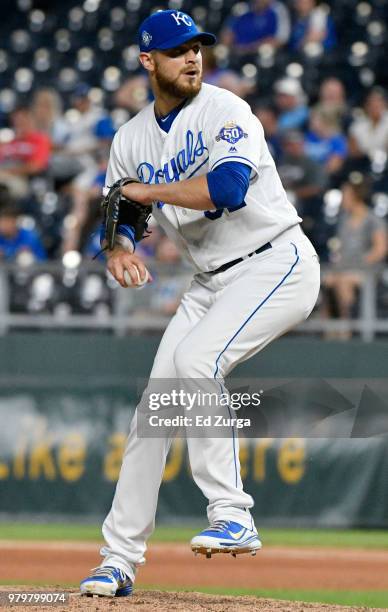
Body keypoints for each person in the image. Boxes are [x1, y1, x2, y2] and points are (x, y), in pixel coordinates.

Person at [80, 9, 320, 599]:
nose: (193, 57)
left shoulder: (226, 110)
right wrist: (118, 248)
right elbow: (121, 213)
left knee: (197, 364)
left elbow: (229, 188)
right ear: (148, 61)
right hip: (209, 281)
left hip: (276, 261)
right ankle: (118, 559)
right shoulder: (130, 138)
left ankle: (233, 512)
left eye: (198, 47)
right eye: (178, 49)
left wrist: (147, 191)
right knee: (151, 417)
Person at [323, 177, 386, 337]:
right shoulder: (343, 220)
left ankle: (347, 329)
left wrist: (358, 264)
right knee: (327, 279)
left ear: (356, 196)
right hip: (344, 268)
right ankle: (328, 330)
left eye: (346, 194)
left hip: (368, 271)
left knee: (344, 282)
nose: (343, 198)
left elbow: (380, 250)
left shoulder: (373, 220)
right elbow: (340, 248)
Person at [0, 105, 51, 199]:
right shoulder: (9, 141)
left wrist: (9, 172)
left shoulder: (39, 139)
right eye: (15, 121)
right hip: (5, 174)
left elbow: (36, 166)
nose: (18, 123)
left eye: (22, 120)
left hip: (24, 180)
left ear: (30, 120)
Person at [221, 0, 289, 55]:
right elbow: (227, 33)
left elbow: (281, 39)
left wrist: (250, 49)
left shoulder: (278, 9)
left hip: (262, 55)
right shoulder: (242, 8)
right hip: (236, 53)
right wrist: (229, 47)